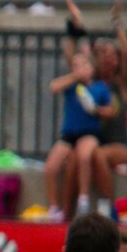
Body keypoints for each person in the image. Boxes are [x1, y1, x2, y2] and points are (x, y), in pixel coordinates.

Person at [44, 49, 114, 219]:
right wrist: (75, 77)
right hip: (69, 134)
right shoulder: (72, 86)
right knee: (51, 166)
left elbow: (110, 111)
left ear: (91, 67)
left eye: (83, 65)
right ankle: (54, 207)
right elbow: (53, 87)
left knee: (84, 156)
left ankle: (83, 198)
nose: (79, 68)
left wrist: (95, 109)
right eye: (75, 66)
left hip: (89, 132)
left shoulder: (100, 87)